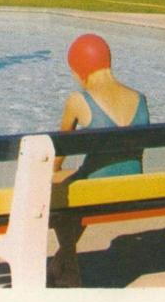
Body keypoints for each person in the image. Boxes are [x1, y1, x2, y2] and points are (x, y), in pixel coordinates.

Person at [48, 33, 150, 287]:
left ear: (80, 69)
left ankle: (70, 268)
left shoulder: (78, 100)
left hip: (98, 191)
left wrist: (52, 172)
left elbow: (58, 156)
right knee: (80, 180)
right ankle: (60, 260)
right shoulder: (140, 99)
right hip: (134, 186)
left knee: (56, 185)